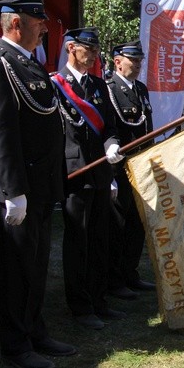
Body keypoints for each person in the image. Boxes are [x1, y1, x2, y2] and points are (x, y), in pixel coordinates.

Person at [0, 0, 76, 368]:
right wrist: (12, 192)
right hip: (17, 189)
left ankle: (36, 331)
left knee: (36, 265)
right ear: (16, 24)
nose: (46, 28)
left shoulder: (28, 65)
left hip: (40, 186)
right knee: (18, 268)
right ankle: (16, 345)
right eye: (39, 21)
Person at [53, 27, 125, 330]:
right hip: (75, 174)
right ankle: (80, 306)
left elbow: (108, 125)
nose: (93, 55)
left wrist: (111, 144)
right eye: (88, 50)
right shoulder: (56, 85)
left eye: (96, 51)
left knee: (99, 240)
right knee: (78, 243)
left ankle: (99, 300)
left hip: (99, 173)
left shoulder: (98, 85)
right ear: (71, 48)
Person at [105, 40, 155, 300]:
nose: (137, 65)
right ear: (117, 61)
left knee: (137, 224)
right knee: (118, 225)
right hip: (120, 169)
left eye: (139, 61)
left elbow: (147, 129)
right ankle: (114, 279)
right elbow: (109, 129)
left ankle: (130, 272)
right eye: (132, 60)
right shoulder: (109, 90)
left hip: (140, 168)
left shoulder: (141, 89)